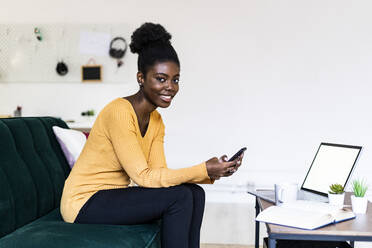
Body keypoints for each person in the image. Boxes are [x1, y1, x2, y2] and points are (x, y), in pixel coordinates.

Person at [60, 22, 244, 248]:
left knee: (195, 193)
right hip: (83, 202)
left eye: (175, 79)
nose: (170, 87)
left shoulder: (156, 121)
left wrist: (212, 173)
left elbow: (159, 175)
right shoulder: (119, 112)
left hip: (112, 196)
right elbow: (144, 177)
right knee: (181, 197)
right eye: (161, 78)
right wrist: (204, 169)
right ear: (141, 78)